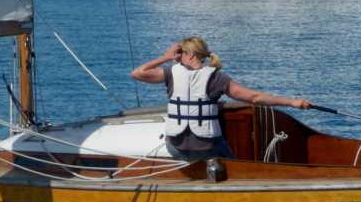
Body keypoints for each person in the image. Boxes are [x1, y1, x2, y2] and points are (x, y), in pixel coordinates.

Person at [130, 37, 311, 161]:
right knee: (231, 159)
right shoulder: (217, 78)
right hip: (206, 149)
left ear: (190, 54)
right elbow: (254, 98)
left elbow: (137, 73)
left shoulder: (170, 73)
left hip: (176, 147)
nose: (177, 57)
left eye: (180, 52)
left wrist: (165, 57)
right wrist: (292, 102)